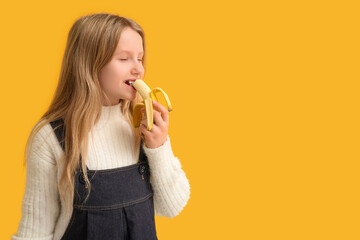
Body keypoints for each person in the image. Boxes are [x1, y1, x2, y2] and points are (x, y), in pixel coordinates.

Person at [11, 13, 190, 240]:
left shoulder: (143, 126)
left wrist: (159, 147)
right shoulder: (51, 137)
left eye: (140, 58)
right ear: (89, 64)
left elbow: (172, 208)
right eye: (124, 59)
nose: (138, 69)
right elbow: (34, 231)